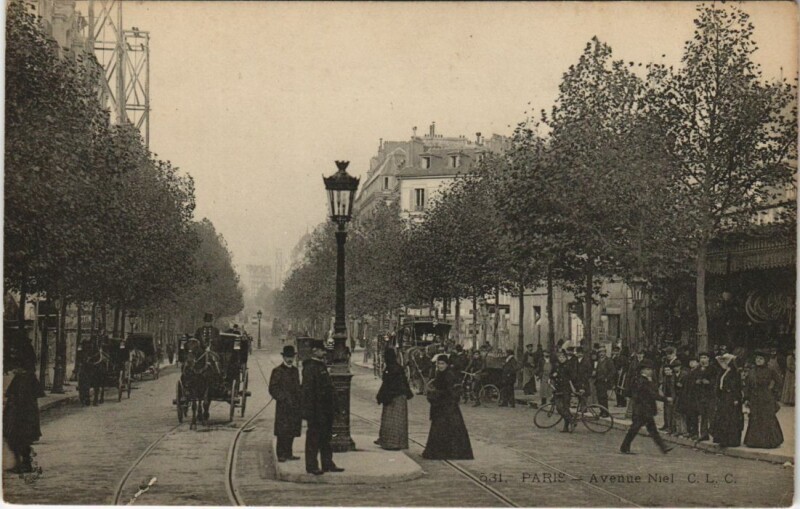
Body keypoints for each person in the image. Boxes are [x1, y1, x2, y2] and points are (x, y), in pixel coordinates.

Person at [3, 331, 45, 474]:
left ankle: (23, 463)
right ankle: (22, 462)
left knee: (16, 433)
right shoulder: (25, 376)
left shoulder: (24, 377)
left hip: (21, 408)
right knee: (16, 434)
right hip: (23, 407)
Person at [301, 339, 344, 475]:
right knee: (313, 438)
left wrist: (335, 406)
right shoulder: (310, 368)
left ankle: (327, 463)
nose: (324, 352)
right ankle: (311, 465)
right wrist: (309, 411)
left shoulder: (320, 365)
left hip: (325, 409)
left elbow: (329, 389)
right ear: (315, 351)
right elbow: (308, 392)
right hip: (316, 410)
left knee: (326, 438)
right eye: (321, 350)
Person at [422, 355, 473, 460]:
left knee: (447, 429)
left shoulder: (449, 375)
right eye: (438, 363)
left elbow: (451, 392)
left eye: (442, 363)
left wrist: (436, 393)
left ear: (447, 364)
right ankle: (441, 452)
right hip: (441, 407)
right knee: (440, 429)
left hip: (448, 407)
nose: (440, 366)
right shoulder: (439, 374)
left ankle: (446, 453)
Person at [619, 359, 673, 455]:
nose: (650, 371)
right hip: (642, 409)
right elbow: (652, 394)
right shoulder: (642, 381)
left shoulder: (642, 380)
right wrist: (665, 399)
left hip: (644, 409)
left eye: (651, 369)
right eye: (648, 369)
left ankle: (663, 447)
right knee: (636, 429)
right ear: (642, 370)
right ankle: (624, 447)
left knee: (647, 429)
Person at [743, 351, 784, 449]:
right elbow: (747, 385)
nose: (758, 360)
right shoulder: (752, 371)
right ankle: (754, 442)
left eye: (761, 359)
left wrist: (773, 393)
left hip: (766, 397)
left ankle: (769, 442)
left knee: (767, 418)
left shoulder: (770, 370)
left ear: (765, 360)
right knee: (755, 418)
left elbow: (779, 382)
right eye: (757, 358)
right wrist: (746, 398)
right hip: (754, 398)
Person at [269, 345, 302, 462]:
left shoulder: (295, 371)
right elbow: (273, 388)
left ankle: (289, 453)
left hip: (294, 406)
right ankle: (281, 454)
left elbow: (298, 387)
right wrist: (282, 398)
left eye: (291, 357)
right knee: (282, 431)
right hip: (283, 406)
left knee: (292, 430)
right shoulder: (277, 371)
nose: (290, 359)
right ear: (283, 357)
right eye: (288, 357)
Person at [375, 348, 413, 450]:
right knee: (399, 421)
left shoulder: (390, 369)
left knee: (390, 420)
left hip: (393, 397)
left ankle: (391, 442)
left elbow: (386, 384)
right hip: (401, 396)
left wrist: (380, 396)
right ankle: (400, 442)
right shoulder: (398, 367)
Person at [711, 353, 743, 447]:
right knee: (723, 417)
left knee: (731, 418)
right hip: (724, 397)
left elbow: (737, 387)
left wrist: (736, 398)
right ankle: (722, 439)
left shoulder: (735, 373)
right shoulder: (723, 372)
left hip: (731, 397)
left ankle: (731, 440)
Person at [691, 352, 716, 441]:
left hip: (710, 396)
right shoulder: (697, 370)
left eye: (705, 357)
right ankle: (704, 434)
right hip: (700, 395)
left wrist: (709, 382)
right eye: (701, 358)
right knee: (703, 415)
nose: (703, 359)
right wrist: (696, 382)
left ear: (708, 359)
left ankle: (713, 432)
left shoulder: (713, 369)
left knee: (712, 415)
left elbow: (716, 381)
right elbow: (692, 380)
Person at [551, 350, 577, 433]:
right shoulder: (557, 365)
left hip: (566, 389)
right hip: (558, 389)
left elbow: (573, 377)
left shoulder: (569, 365)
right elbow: (551, 374)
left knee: (566, 407)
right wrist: (553, 375)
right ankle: (571, 420)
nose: (561, 359)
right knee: (559, 408)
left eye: (562, 357)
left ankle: (566, 427)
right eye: (559, 357)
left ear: (565, 357)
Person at [595, 348, 615, 416]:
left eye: (603, 352)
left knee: (603, 397)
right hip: (598, 381)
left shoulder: (609, 360)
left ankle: (605, 412)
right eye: (600, 352)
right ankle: (601, 410)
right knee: (599, 397)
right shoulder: (598, 361)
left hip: (604, 381)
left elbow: (612, 371)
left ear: (605, 353)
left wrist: (607, 378)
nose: (601, 354)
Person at [672, 362, 689, 437]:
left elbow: (685, 386)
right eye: (674, 367)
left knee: (683, 414)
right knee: (676, 413)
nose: (675, 368)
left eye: (677, 367)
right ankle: (678, 430)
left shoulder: (684, 374)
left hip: (683, 397)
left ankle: (684, 431)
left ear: (680, 367)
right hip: (675, 396)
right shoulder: (673, 375)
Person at [660, 366, 675, 432]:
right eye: (665, 370)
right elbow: (664, 387)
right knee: (666, 412)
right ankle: (666, 425)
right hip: (666, 396)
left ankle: (670, 427)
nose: (667, 371)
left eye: (668, 370)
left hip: (672, 397)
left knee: (671, 412)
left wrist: (673, 397)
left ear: (671, 370)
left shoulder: (674, 378)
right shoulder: (665, 378)